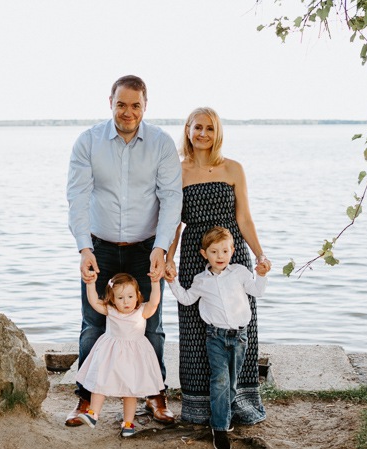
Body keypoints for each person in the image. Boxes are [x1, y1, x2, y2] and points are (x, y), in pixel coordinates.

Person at [66, 75, 182, 426]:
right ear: (110, 102)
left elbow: (171, 197)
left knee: (152, 324)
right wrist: (84, 248)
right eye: (121, 104)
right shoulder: (88, 142)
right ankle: (86, 400)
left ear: (145, 106)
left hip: (146, 248)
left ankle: (155, 395)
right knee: (93, 323)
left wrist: (162, 247)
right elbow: (78, 197)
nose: (128, 112)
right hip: (99, 246)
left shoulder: (161, 144)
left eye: (135, 105)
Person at [165, 106, 272, 426]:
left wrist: (260, 255)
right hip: (195, 255)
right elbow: (173, 224)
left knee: (241, 326)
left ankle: (239, 401)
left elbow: (244, 218)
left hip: (233, 250)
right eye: (197, 127)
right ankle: (200, 407)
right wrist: (168, 258)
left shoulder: (233, 168)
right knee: (196, 330)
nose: (203, 134)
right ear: (187, 130)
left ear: (218, 133)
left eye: (210, 128)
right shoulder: (176, 171)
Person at [168, 226, 268, 449]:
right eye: (214, 252)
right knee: (220, 380)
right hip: (216, 337)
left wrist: (261, 275)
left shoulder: (241, 272)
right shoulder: (201, 280)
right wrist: (172, 281)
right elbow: (186, 299)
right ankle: (220, 428)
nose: (219, 256)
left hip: (241, 336)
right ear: (205, 254)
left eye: (224, 251)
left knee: (232, 382)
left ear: (232, 250)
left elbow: (257, 292)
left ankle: (225, 415)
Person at [75, 272, 164, 438]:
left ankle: (128, 423)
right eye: (120, 297)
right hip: (111, 353)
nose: (126, 301)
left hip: (133, 356)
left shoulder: (142, 311)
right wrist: (90, 284)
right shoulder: (111, 310)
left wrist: (155, 282)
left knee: (130, 390)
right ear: (112, 298)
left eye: (130, 296)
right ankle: (93, 413)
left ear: (137, 295)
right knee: (99, 382)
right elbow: (94, 301)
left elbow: (155, 302)